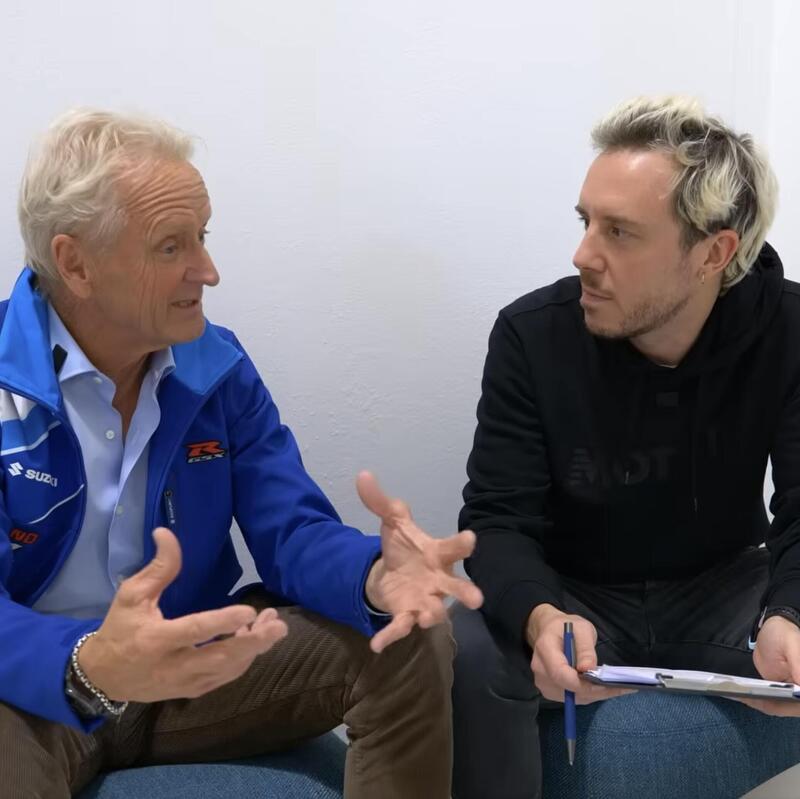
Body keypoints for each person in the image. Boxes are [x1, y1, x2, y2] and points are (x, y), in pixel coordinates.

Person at [0, 108, 483, 799]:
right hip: (38, 691)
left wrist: (376, 576)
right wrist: (86, 664)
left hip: (189, 669)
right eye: (171, 246)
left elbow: (291, 530)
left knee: (409, 636)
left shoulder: (216, 367)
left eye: (202, 237)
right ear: (76, 262)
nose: (208, 271)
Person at [451, 95, 800, 798]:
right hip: (573, 593)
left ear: (713, 253)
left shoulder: (788, 329)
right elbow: (496, 518)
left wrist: (790, 611)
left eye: (619, 232)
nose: (584, 255)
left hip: (721, 585)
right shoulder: (531, 335)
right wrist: (541, 616)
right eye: (585, 222)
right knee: (458, 647)